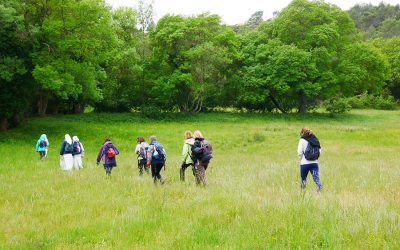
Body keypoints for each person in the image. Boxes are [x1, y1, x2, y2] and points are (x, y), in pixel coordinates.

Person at [297, 127, 322, 192]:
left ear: (302, 132)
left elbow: (299, 152)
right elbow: (319, 150)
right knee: (316, 177)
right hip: (314, 163)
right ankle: (319, 188)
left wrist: (300, 159)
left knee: (303, 179)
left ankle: (302, 192)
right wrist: (315, 158)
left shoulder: (302, 140)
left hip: (304, 164)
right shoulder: (315, 139)